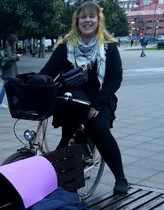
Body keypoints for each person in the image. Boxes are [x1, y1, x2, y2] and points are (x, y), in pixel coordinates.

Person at [39, 1, 129, 195]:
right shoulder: (65, 47)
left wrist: (97, 104)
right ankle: (60, 182)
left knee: (99, 130)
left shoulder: (109, 48)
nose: (87, 20)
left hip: (99, 100)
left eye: (91, 16)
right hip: (72, 101)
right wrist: (35, 82)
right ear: (77, 20)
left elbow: (115, 79)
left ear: (98, 20)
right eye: (83, 17)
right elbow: (48, 72)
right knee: (65, 139)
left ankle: (120, 178)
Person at [0, 34, 19, 109]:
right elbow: (10, 58)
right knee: (7, 88)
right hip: (8, 73)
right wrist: (16, 56)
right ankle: (1, 103)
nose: (16, 42)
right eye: (15, 41)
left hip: (10, 72)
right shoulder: (9, 48)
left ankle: (12, 102)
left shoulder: (11, 48)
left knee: (9, 88)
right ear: (12, 41)